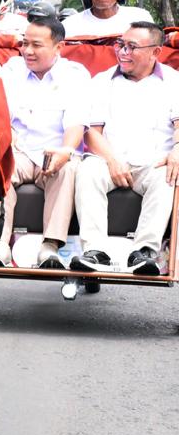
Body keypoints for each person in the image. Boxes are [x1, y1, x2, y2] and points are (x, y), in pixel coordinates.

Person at [0, 17, 87, 269]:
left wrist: (66, 150)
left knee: (69, 168)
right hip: (20, 151)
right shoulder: (12, 70)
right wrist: (5, 136)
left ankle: (49, 247)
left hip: (55, 151)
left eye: (36, 45)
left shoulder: (75, 75)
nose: (28, 51)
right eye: (25, 43)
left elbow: (76, 123)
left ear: (58, 47)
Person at [71, 21, 178, 276]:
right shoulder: (102, 80)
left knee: (168, 176)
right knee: (87, 171)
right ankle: (95, 251)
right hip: (109, 158)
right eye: (121, 45)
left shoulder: (174, 82)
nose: (123, 52)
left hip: (154, 161)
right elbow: (91, 132)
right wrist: (112, 160)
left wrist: (177, 151)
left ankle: (144, 252)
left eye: (132, 47)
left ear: (155, 52)